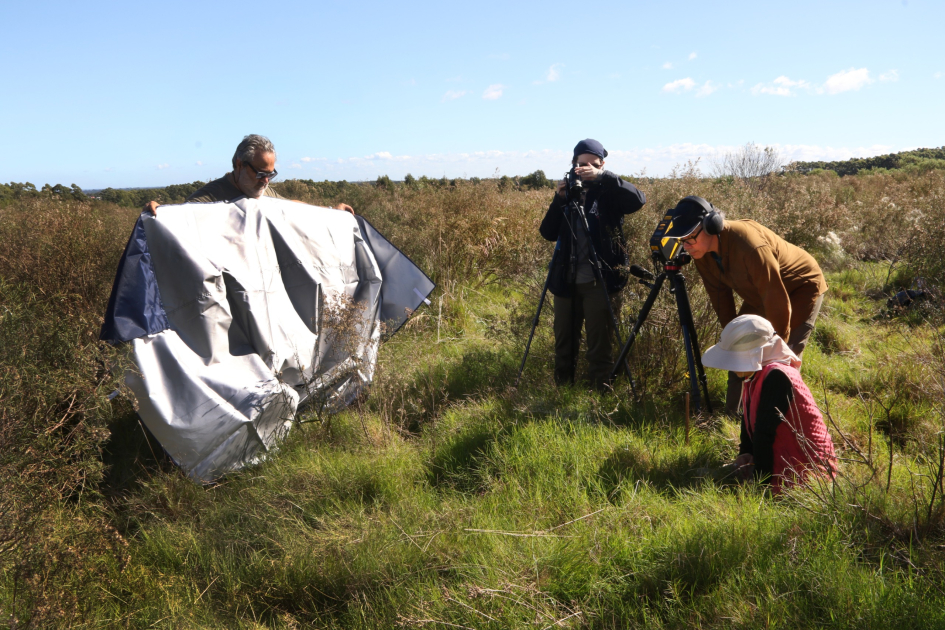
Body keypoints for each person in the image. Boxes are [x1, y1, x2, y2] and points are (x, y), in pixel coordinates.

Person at [663, 196, 827, 413]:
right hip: (761, 293)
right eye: (681, 241)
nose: (686, 247)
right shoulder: (701, 253)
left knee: (781, 359)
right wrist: (734, 340)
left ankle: (780, 418)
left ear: (711, 226)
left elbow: (775, 299)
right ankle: (735, 416)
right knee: (740, 349)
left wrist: (775, 347)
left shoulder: (749, 245)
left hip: (799, 288)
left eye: (690, 239)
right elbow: (719, 297)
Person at [538, 139, 646, 389]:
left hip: (601, 282)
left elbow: (638, 200)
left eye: (592, 165)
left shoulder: (610, 192)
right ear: (573, 165)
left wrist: (604, 177)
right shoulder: (569, 194)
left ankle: (600, 395)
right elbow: (548, 232)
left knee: (600, 347)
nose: (585, 169)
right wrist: (559, 199)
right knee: (564, 345)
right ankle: (563, 393)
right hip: (567, 282)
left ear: (602, 164)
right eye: (580, 165)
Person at [701, 314, 837, 493]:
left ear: (754, 354)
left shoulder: (777, 377)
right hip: (781, 460)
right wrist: (745, 453)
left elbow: (765, 433)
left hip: (807, 476)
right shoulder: (758, 373)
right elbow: (749, 417)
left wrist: (758, 486)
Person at [144, 134, 353, 214]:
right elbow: (183, 217)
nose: (265, 182)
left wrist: (331, 211)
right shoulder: (209, 198)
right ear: (239, 164)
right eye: (261, 173)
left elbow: (291, 206)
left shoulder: (263, 191)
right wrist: (161, 213)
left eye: (270, 175)